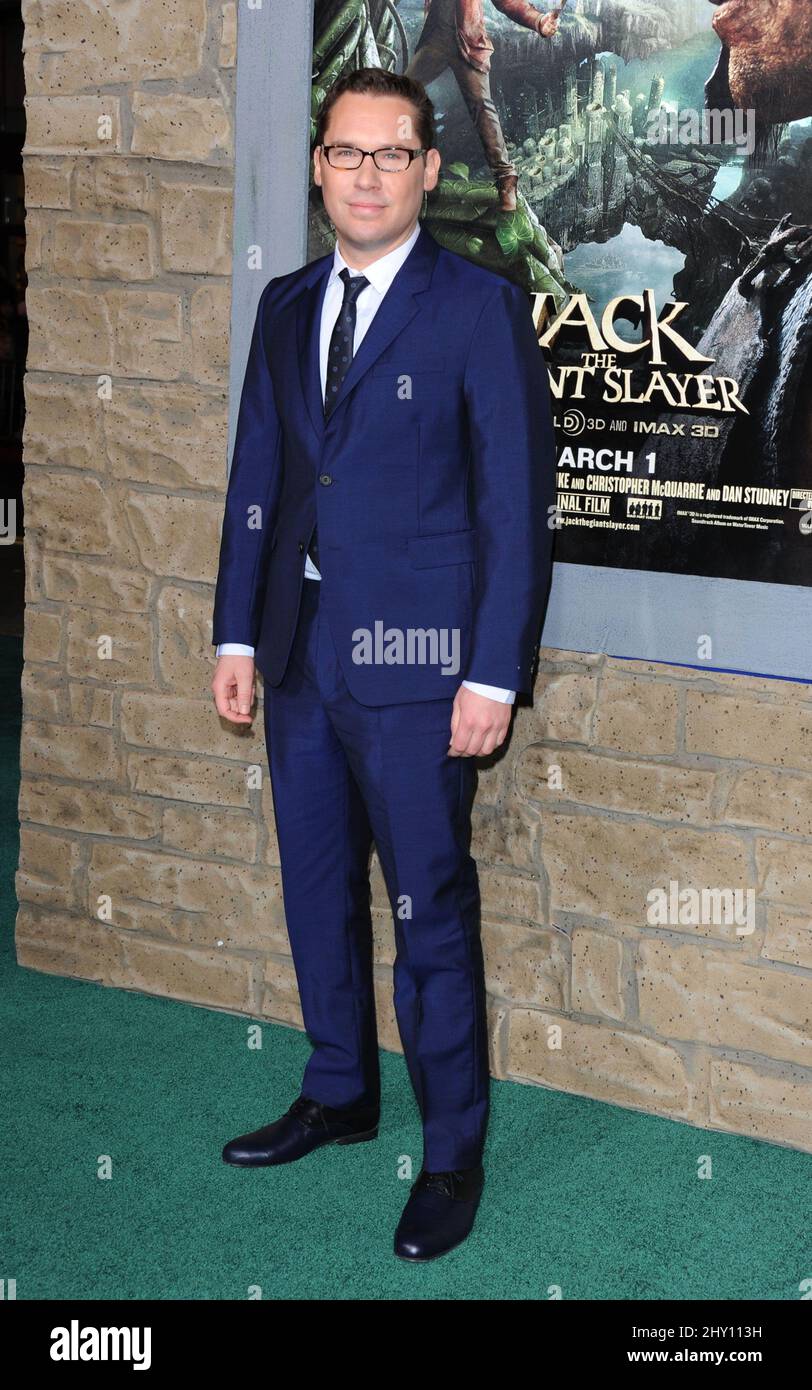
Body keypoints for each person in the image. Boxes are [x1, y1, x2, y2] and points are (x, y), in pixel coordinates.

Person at [211, 65, 555, 1261]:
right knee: (315, 893)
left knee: (428, 913)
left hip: (420, 673)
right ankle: (341, 1091)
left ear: (426, 170)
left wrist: (491, 674)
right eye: (344, 153)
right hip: (301, 661)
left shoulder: (475, 308)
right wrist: (237, 632)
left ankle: (450, 1153)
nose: (364, 174)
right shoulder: (286, 304)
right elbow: (259, 478)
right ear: (317, 167)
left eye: (389, 154)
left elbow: (516, 506)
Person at [406, 0, 561, 210]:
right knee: (401, 95)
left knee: (482, 107)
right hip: (435, 41)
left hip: (468, 44)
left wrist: (539, 20)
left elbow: (508, 2)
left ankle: (506, 182)